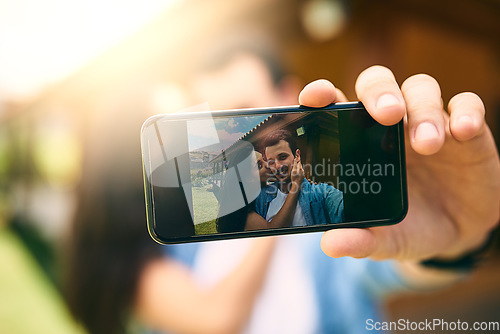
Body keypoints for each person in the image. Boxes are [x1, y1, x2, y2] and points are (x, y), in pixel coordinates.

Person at [249, 128, 344, 230]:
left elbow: (343, 208)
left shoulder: (320, 193)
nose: (277, 166)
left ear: (297, 156)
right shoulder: (261, 197)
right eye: (271, 161)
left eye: (282, 157)